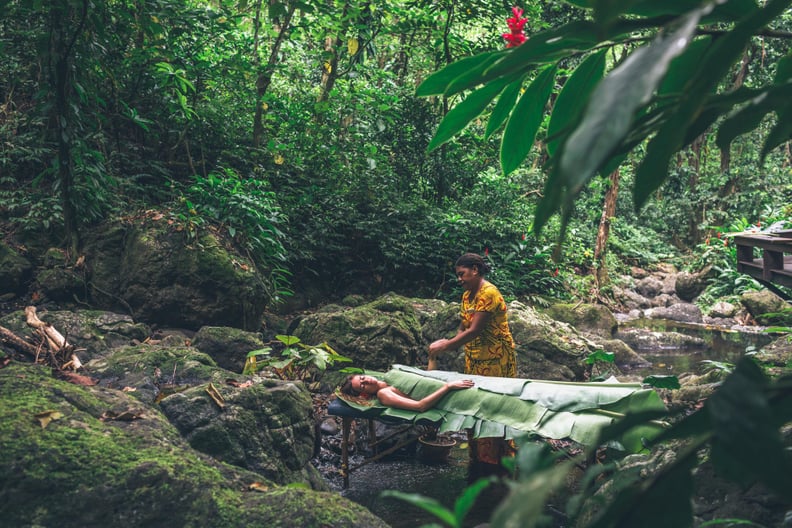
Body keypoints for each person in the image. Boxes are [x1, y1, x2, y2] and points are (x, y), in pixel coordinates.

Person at [428, 252, 517, 468]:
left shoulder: (489, 293)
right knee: (475, 404)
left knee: (493, 407)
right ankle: (479, 456)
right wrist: (447, 342)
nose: (459, 279)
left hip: (497, 358)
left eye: (462, 274)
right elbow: (463, 327)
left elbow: (475, 330)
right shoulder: (467, 295)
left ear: (475, 270)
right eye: (458, 275)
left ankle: (499, 460)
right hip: (475, 359)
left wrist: (447, 346)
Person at [340, 373, 474, 412]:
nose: (366, 381)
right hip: (450, 394)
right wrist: (448, 387)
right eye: (363, 386)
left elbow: (424, 380)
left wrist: (432, 358)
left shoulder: (390, 376)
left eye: (363, 378)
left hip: (454, 384)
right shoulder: (384, 394)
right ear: (364, 394)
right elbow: (420, 406)